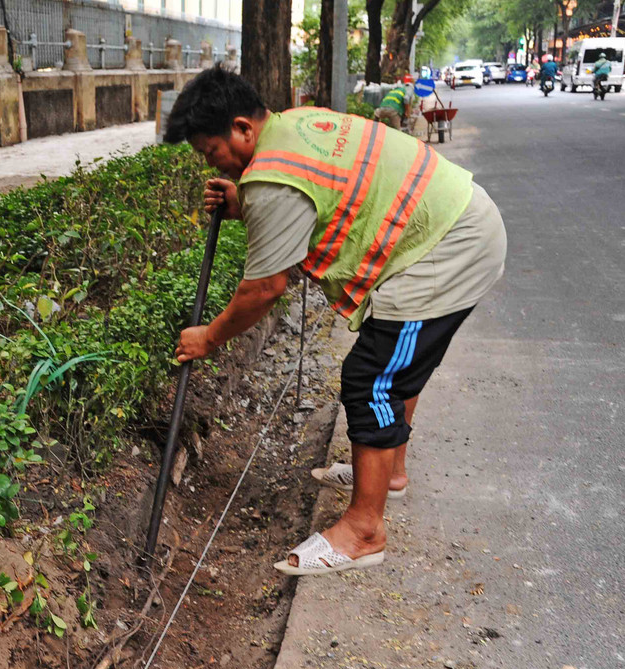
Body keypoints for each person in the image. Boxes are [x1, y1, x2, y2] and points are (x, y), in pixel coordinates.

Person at [163, 67, 507, 577]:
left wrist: (208, 337)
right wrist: (244, 202)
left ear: (242, 128)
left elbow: (264, 288)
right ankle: (389, 474)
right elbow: (308, 192)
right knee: (396, 366)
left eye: (211, 152)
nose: (213, 164)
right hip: (452, 219)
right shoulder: (294, 125)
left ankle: (364, 532)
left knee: (371, 378)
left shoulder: (271, 179)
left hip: (446, 247)